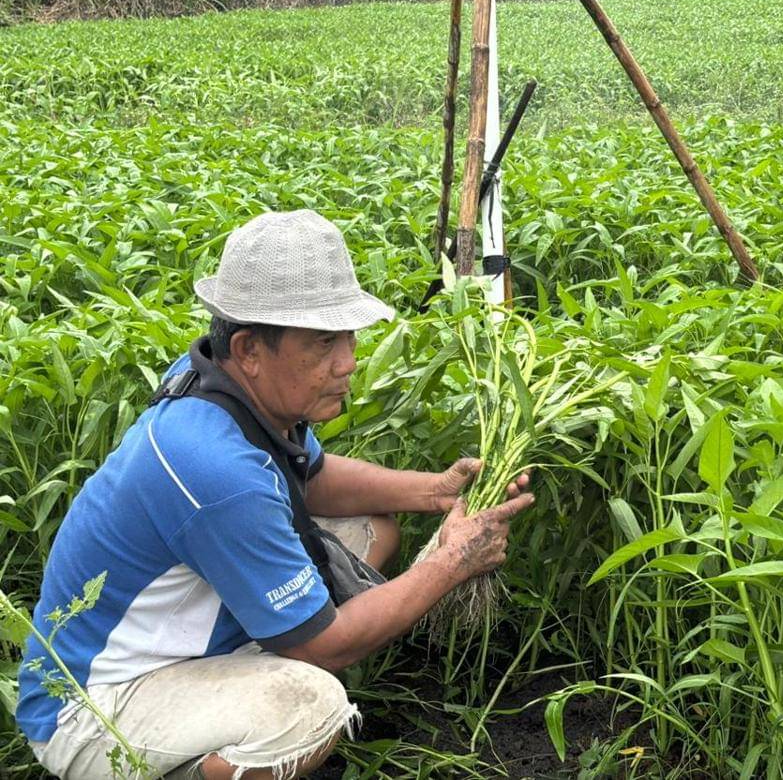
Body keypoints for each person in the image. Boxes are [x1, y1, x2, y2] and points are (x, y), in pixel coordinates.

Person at [16, 210, 535, 779]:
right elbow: (326, 647)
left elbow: (308, 479)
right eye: (322, 342)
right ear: (250, 349)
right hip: (94, 705)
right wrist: (453, 561)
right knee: (312, 706)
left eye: (347, 336)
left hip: (178, 638)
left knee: (373, 526)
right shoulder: (214, 468)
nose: (349, 361)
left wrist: (434, 492)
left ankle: (260, 657)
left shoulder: (223, 384)